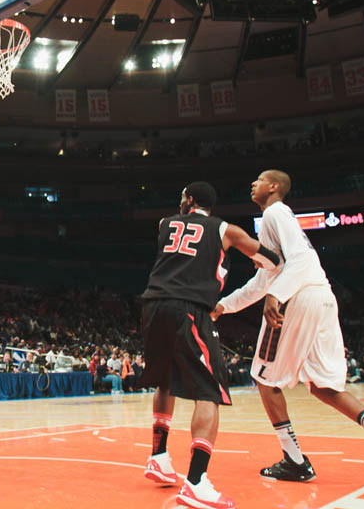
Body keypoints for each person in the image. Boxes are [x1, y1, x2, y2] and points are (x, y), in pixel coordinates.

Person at [214, 170, 364, 492]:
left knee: (264, 378)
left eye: (258, 179)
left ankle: (295, 461)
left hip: (299, 298)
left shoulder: (274, 212)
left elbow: (296, 262)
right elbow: (263, 281)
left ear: (274, 187)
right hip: (321, 298)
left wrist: (277, 295)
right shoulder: (278, 224)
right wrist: (223, 306)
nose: (252, 184)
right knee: (323, 387)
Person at [139, 182, 281, 509]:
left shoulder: (164, 224)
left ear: (189, 200)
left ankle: (158, 457)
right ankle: (196, 481)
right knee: (209, 393)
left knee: (165, 380)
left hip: (152, 306)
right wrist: (273, 258)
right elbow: (269, 260)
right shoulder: (225, 229)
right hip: (188, 308)